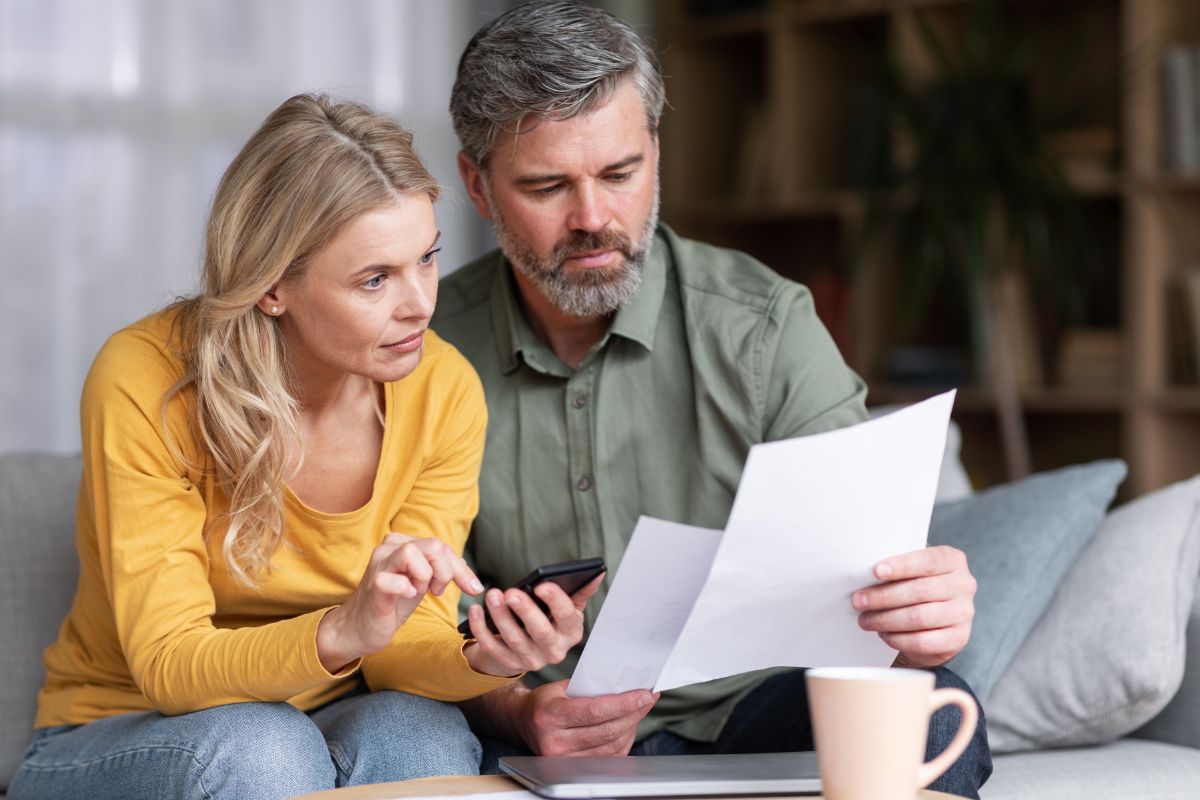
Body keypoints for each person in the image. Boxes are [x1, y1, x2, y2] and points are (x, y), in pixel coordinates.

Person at [432, 2, 992, 797]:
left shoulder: (765, 327)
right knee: (411, 738)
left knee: (934, 710)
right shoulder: (420, 352)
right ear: (477, 186)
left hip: (749, 708)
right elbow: (398, 625)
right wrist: (518, 711)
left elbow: (868, 588)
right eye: (548, 185)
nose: (594, 219)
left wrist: (920, 623)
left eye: (620, 174)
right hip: (521, 725)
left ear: (656, 152)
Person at [8, 93, 599, 800]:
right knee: (266, 748)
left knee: (427, 735)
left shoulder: (443, 388)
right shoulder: (145, 377)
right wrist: (344, 629)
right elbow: (167, 664)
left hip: (324, 720)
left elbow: (402, 655)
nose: (419, 304)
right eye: (375, 279)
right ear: (273, 287)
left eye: (427, 259)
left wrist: (491, 658)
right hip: (120, 730)